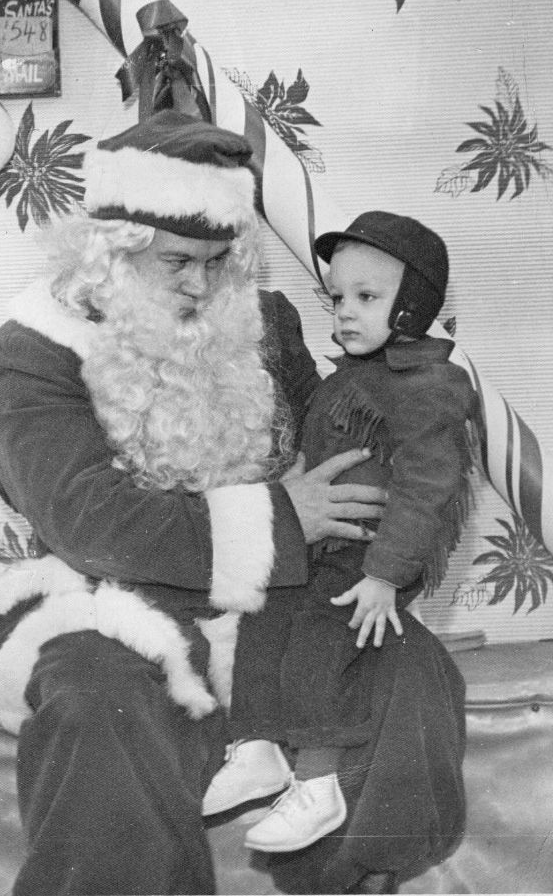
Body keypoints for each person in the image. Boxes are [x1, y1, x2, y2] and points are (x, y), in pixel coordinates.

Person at [0, 110, 388, 896]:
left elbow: (345, 453)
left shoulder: (265, 322)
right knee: (99, 700)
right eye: (177, 262)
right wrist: (282, 515)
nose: (202, 284)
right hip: (106, 606)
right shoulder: (27, 356)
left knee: (392, 679)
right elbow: (92, 522)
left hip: (276, 606)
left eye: (219, 260)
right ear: (112, 252)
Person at [202, 212, 475, 887]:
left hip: (370, 559)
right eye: (339, 297)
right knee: (264, 613)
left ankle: (319, 782)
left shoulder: (427, 386)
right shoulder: (350, 375)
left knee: (326, 638)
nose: (346, 313)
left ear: (410, 307)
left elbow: (425, 488)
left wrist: (386, 575)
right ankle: (257, 743)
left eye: (367, 297)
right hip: (322, 547)